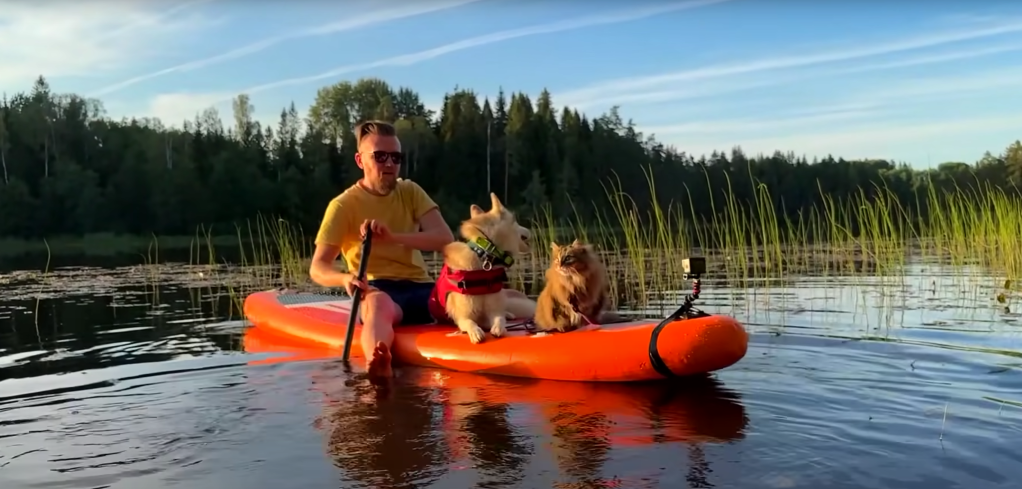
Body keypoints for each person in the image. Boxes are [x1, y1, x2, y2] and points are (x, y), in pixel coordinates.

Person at [309, 120, 454, 384]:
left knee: (474, 295)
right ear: (360, 160)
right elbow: (318, 267)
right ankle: (377, 361)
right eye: (380, 156)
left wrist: (393, 237)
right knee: (377, 304)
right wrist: (345, 279)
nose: (389, 164)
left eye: (396, 157)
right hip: (379, 289)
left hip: (423, 287)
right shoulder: (342, 206)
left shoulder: (410, 191)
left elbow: (445, 239)